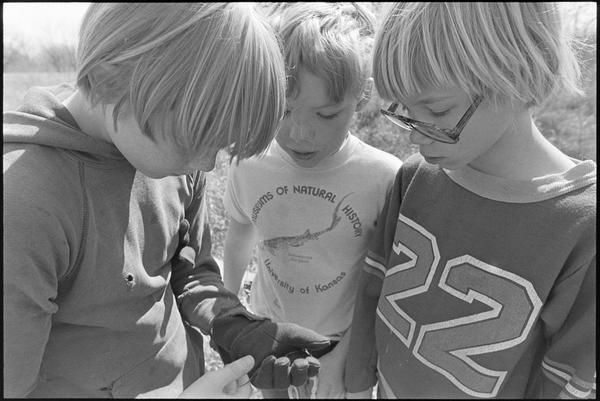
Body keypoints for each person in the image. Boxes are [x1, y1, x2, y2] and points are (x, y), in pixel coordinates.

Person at [3, 3, 332, 398]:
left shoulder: (167, 156)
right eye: (198, 140)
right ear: (110, 82)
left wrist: (233, 326)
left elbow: (189, 268)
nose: (208, 163)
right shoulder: (24, 206)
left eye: (221, 144)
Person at [344, 2, 596, 399]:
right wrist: (356, 385)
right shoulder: (414, 177)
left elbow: (569, 377)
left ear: (516, 74)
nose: (415, 135)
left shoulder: (581, 227)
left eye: (437, 109)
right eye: (404, 109)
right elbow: (374, 288)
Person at [222, 3, 402, 398]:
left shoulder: (385, 177)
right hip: (268, 333)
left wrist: (349, 352)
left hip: (343, 344)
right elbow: (239, 233)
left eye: (327, 114)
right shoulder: (249, 163)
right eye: (284, 110)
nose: (301, 133)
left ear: (362, 95)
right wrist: (228, 314)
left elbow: (385, 279)